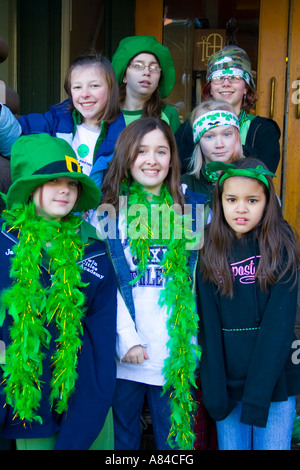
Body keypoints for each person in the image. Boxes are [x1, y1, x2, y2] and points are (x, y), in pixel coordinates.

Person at [0, 134, 117, 450]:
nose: (65, 188)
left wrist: (95, 395)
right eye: (53, 181)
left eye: (72, 182)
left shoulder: (92, 249)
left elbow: (102, 334)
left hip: (83, 396)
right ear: (29, 187)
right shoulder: (4, 241)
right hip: (27, 402)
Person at [98, 117, 208, 450]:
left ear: (173, 158)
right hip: (125, 355)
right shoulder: (108, 212)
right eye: (142, 151)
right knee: (124, 444)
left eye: (161, 151)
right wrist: (127, 339)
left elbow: (200, 281)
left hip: (175, 355)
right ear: (126, 157)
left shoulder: (194, 209)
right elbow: (106, 285)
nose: (152, 160)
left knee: (175, 447)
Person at [197, 157, 300, 450]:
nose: (240, 208)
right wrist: (215, 389)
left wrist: (257, 395)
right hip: (228, 385)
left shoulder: (281, 244)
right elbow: (208, 326)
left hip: (274, 382)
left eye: (252, 200)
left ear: (268, 203)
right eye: (232, 199)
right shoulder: (208, 246)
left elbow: (278, 326)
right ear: (220, 202)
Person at [1, 52, 126, 188]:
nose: (84, 94)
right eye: (77, 87)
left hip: (100, 207)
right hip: (57, 205)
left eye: (94, 86)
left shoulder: (122, 136)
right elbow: (17, 138)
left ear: (111, 89)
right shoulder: (55, 121)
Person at [176, 45, 281, 174]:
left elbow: (263, 180)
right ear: (210, 88)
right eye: (218, 78)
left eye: (234, 77)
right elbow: (179, 173)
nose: (226, 83)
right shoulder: (190, 127)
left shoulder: (263, 130)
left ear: (246, 88)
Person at [111, 35, 181, 133]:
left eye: (153, 67)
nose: (147, 72)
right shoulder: (107, 113)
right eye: (138, 66)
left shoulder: (168, 114)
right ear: (124, 76)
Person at [181, 99, 244, 207]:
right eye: (209, 136)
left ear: (236, 137)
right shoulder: (183, 185)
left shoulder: (253, 180)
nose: (219, 144)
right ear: (198, 142)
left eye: (227, 134)